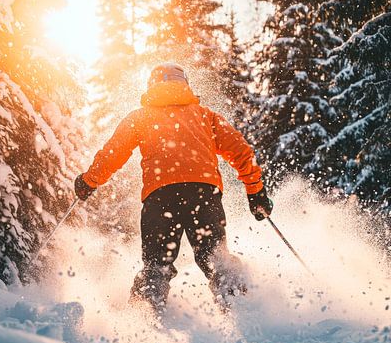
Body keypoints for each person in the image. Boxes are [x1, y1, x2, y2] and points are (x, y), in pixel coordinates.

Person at [75, 63, 273, 314]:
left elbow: (113, 153)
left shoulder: (140, 117)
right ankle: (244, 313)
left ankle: (145, 322)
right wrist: (255, 192)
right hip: (203, 195)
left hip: (160, 198)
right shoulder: (205, 116)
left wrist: (89, 181)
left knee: (156, 265)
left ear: (152, 86)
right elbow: (242, 152)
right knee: (216, 259)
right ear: (185, 84)